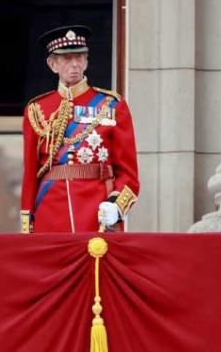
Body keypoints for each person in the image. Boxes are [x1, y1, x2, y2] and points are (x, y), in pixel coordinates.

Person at [20, 25, 140, 233]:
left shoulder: (111, 105)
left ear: (86, 61)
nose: (74, 64)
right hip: (50, 215)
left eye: (80, 57)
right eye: (67, 59)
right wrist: (27, 224)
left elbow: (129, 174)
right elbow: (30, 175)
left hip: (97, 213)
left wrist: (117, 206)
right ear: (52, 64)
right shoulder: (37, 110)